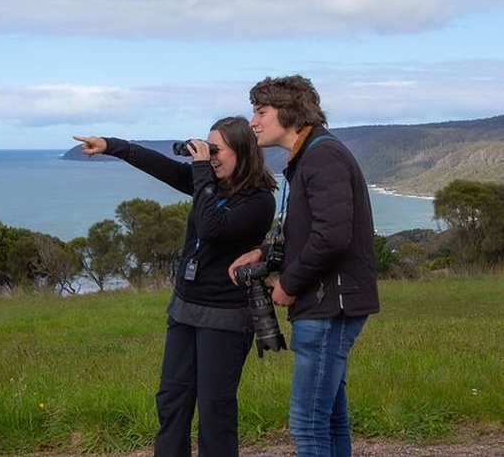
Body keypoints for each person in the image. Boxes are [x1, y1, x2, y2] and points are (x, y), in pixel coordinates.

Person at [73, 116, 277, 457]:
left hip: (224, 315)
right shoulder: (208, 184)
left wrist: (200, 173)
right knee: (172, 401)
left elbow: (212, 228)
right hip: (185, 308)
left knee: (215, 411)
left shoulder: (259, 201)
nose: (210, 157)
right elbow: (158, 165)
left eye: (217, 151)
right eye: (207, 149)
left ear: (242, 152)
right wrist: (112, 145)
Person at [228, 75, 380, 457]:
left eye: (261, 111)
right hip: (329, 303)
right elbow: (310, 229)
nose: (253, 122)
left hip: (329, 306)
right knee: (329, 417)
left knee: (308, 422)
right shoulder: (309, 154)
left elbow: (332, 236)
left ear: (290, 112)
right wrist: (265, 253)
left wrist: (289, 284)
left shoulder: (321, 155)